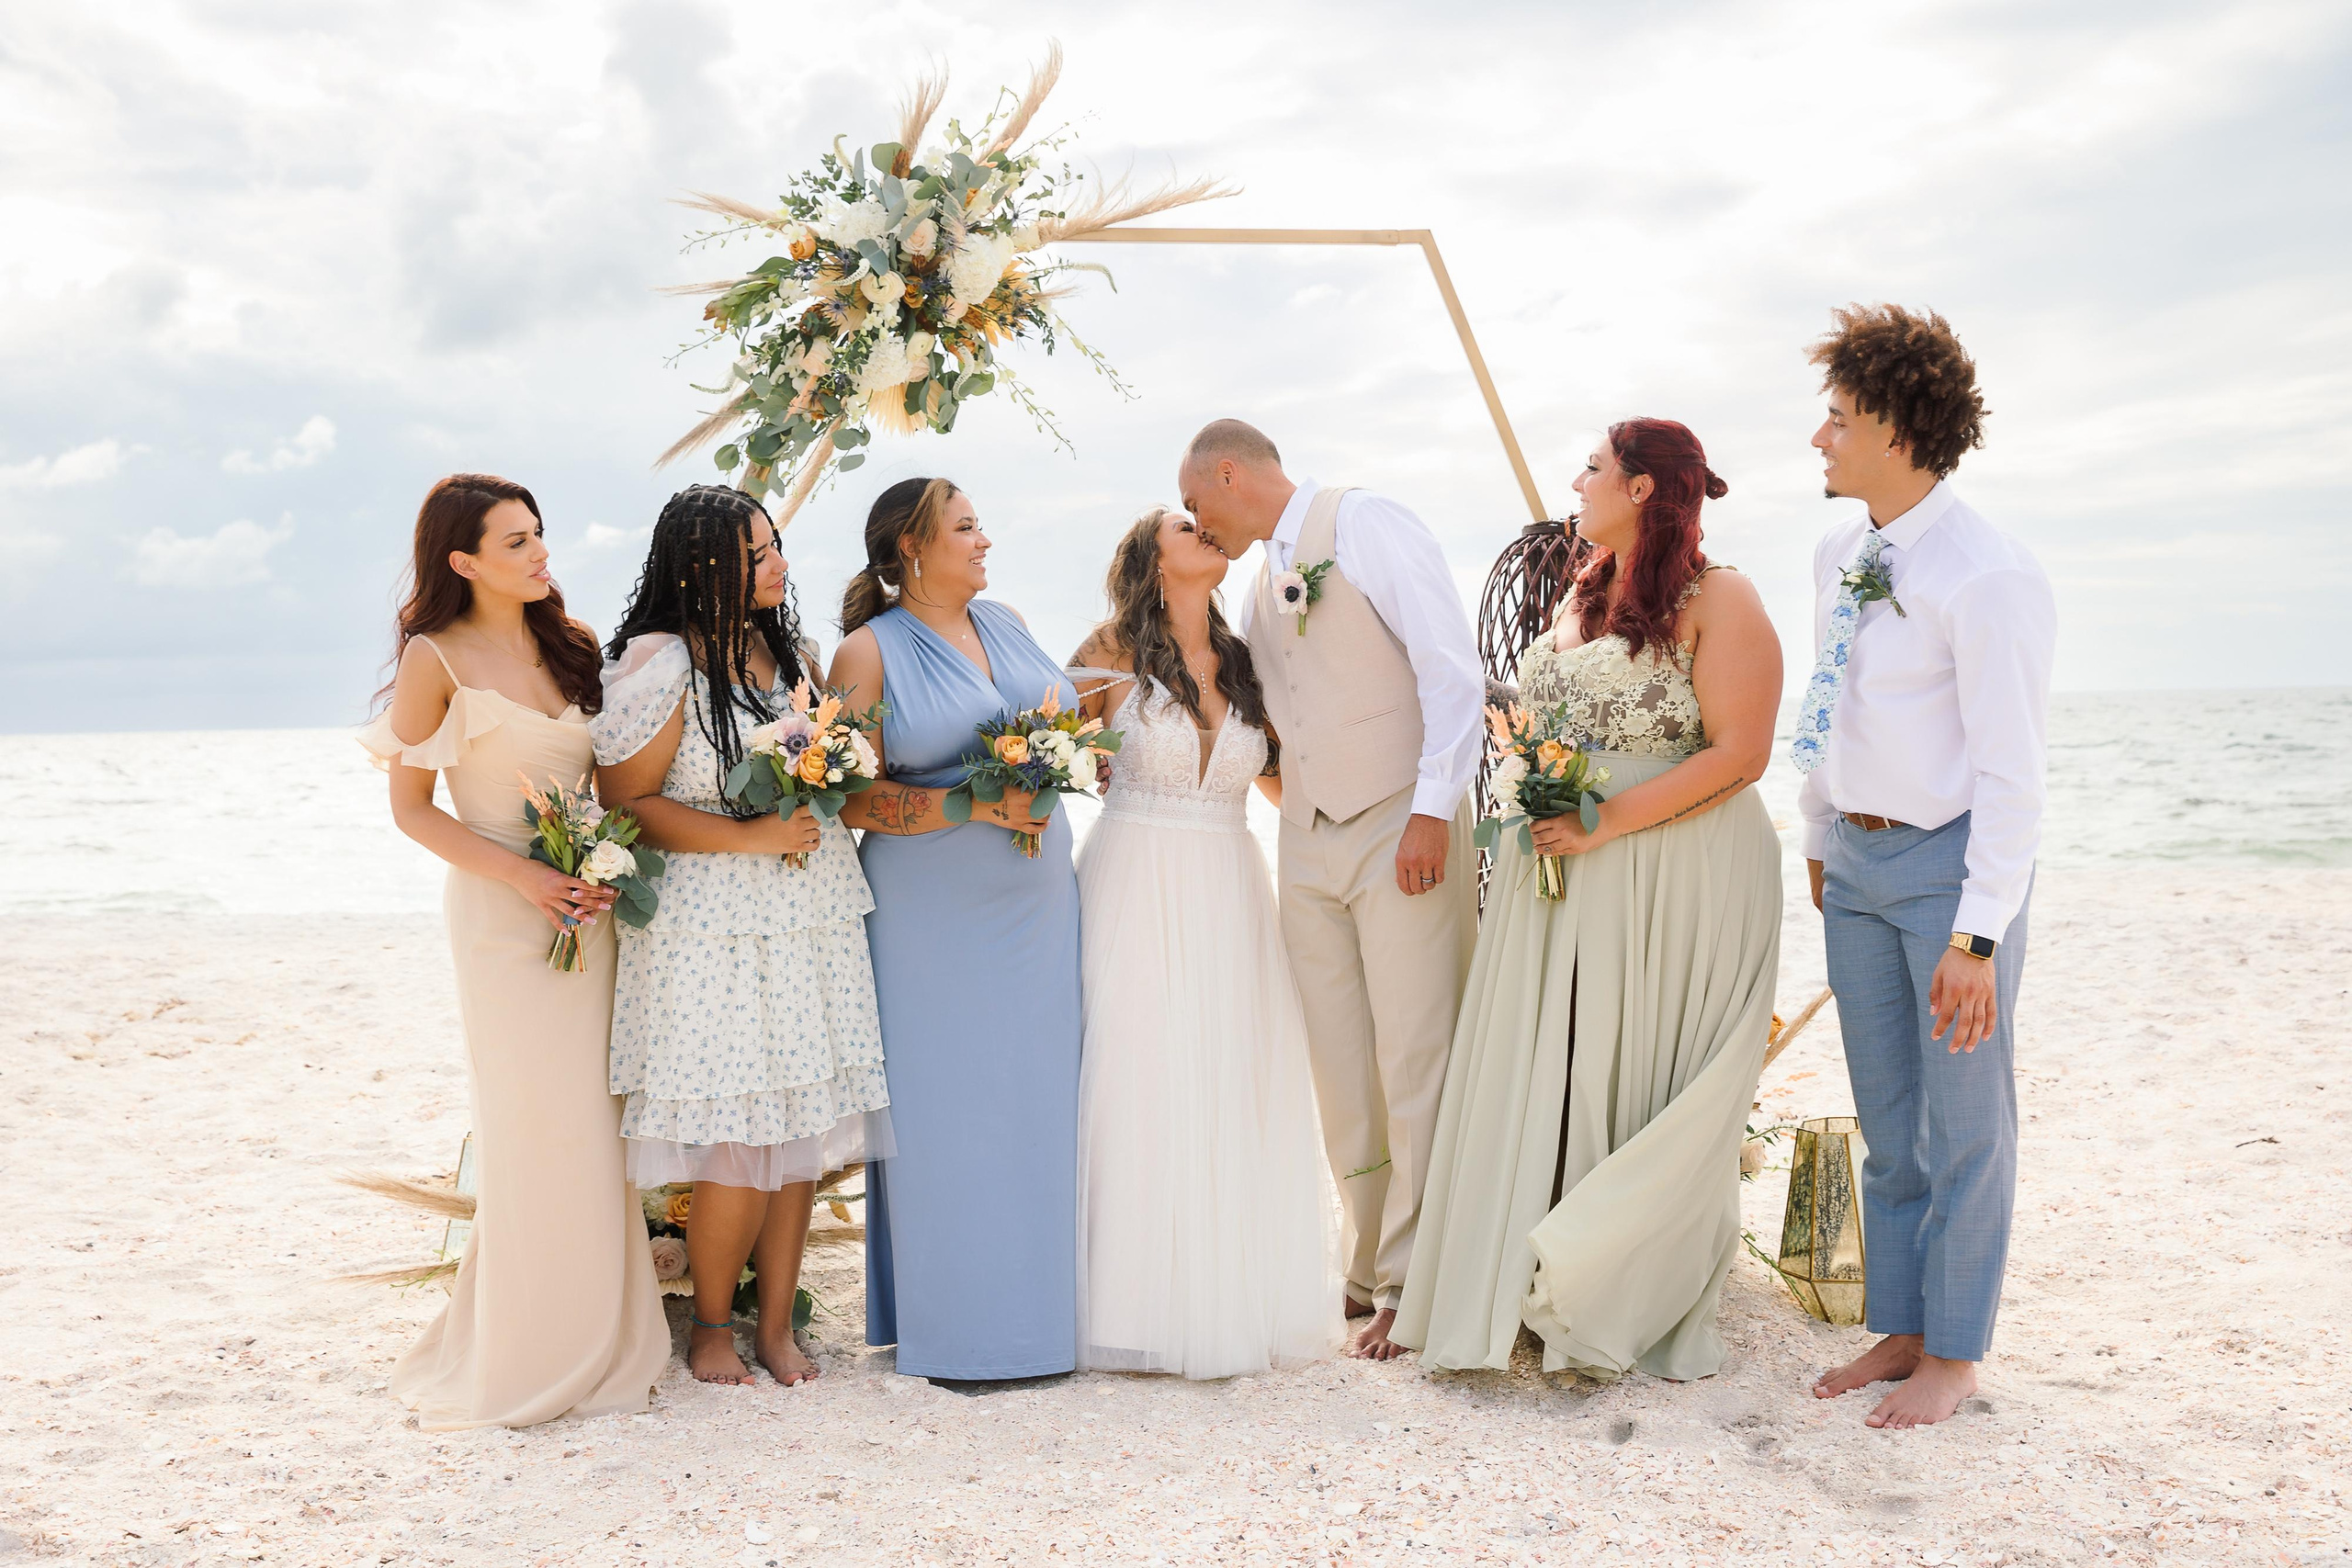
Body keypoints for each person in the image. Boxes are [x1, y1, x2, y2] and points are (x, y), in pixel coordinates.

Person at [1393, 420, 1784, 1381]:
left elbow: (1741, 755)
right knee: (1553, 1061)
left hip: (1670, 863)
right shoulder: (1582, 589)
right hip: (1557, 864)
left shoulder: (1721, 596)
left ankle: (1606, 1286)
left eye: (1594, 468)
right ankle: (1522, 1276)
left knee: (1634, 1063)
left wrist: (1603, 822)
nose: (1577, 482)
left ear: (1642, 488)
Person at [359, 473, 667, 1429]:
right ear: (463, 561)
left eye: (538, 534)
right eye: (516, 542)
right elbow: (413, 811)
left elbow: (612, 786)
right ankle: (530, 1346)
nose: (540, 553)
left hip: (590, 911)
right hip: (504, 918)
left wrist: (603, 865)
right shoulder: (434, 659)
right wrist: (527, 878)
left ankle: (606, 1331)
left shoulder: (568, 643)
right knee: (534, 1120)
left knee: (595, 1119)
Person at [1794, 304, 2054, 1428]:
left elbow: (2013, 775)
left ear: (1898, 432)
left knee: (1965, 1124)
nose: (1819, 438)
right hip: (1853, 866)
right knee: (1887, 1119)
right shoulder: (1836, 554)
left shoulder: (1986, 575)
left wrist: (1976, 936)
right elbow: (1829, 704)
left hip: (1951, 876)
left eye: (1839, 420)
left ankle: (1953, 1351)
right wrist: (1818, 835)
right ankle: (1900, 1327)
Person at [1182, 420, 1482, 1360]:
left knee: (1416, 1050)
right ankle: (1366, 1254)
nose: (1197, 521)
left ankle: (1415, 1280)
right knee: (1339, 1062)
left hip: (1399, 820)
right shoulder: (1255, 583)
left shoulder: (1367, 522)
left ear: (1228, 473)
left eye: (1195, 503)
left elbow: (1451, 670)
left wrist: (1433, 809)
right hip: (1307, 837)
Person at [593, 484, 893, 1388]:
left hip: (807, 915)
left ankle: (776, 1327)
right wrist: (751, 836)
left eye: (776, 546)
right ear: (703, 567)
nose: (778, 566)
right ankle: (712, 1328)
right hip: (713, 928)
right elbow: (626, 803)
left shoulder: (791, 654)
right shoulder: (662, 663)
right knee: (737, 1138)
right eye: (757, 553)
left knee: (800, 1129)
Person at [1064, 506, 1339, 1378]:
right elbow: (1043, 755)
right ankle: (1127, 1306)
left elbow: (1281, 783)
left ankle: (1220, 1298)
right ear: (1153, 560)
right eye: (1185, 526)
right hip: (1133, 879)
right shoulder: (1109, 650)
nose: (1206, 531)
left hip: (1228, 882)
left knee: (1224, 1072)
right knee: (1137, 1073)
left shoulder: (1244, 660)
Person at [829, 477, 1080, 1382]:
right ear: (912, 546)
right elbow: (847, 796)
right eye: (966, 527)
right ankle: (961, 1331)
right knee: (946, 1110)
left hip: (1038, 902)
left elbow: (1065, 719)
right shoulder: (867, 651)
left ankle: (1046, 1322)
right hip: (929, 914)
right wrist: (971, 804)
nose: (984, 540)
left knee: (1039, 1099)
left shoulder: (1008, 621)